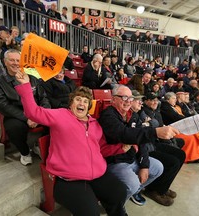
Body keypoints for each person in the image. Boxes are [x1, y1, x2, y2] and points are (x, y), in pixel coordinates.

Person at [14, 71, 128, 216]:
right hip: (69, 179)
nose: (82, 103)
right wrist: (25, 85)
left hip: (97, 174)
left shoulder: (95, 124)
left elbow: (102, 149)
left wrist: (120, 148)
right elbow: (33, 112)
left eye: (86, 101)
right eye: (78, 99)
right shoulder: (60, 115)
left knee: (119, 193)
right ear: (71, 103)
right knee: (91, 213)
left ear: (89, 106)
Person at [98, 85, 180, 206]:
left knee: (158, 167)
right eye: (124, 97)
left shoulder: (133, 115)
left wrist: (144, 165)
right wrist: (155, 131)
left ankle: (130, 194)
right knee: (133, 183)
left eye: (130, 98)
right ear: (113, 99)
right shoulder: (108, 115)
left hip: (132, 158)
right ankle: (113, 204)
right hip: (115, 162)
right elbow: (124, 134)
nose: (128, 101)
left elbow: (140, 141)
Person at [0, 49, 50, 165]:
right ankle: (25, 152)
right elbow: (3, 106)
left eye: (18, 60)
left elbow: (43, 98)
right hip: (16, 114)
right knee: (14, 127)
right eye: (12, 60)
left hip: (36, 111)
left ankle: (39, 144)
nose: (16, 63)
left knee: (53, 119)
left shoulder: (32, 77)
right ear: (5, 62)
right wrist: (27, 117)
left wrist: (41, 114)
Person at [160, 92, 199, 163]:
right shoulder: (165, 107)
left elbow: (184, 114)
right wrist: (189, 119)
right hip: (172, 129)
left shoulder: (174, 106)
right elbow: (175, 117)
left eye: (175, 98)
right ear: (167, 100)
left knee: (196, 134)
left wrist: (192, 118)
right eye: (173, 98)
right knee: (190, 137)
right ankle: (190, 157)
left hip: (179, 127)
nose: (175, 100)